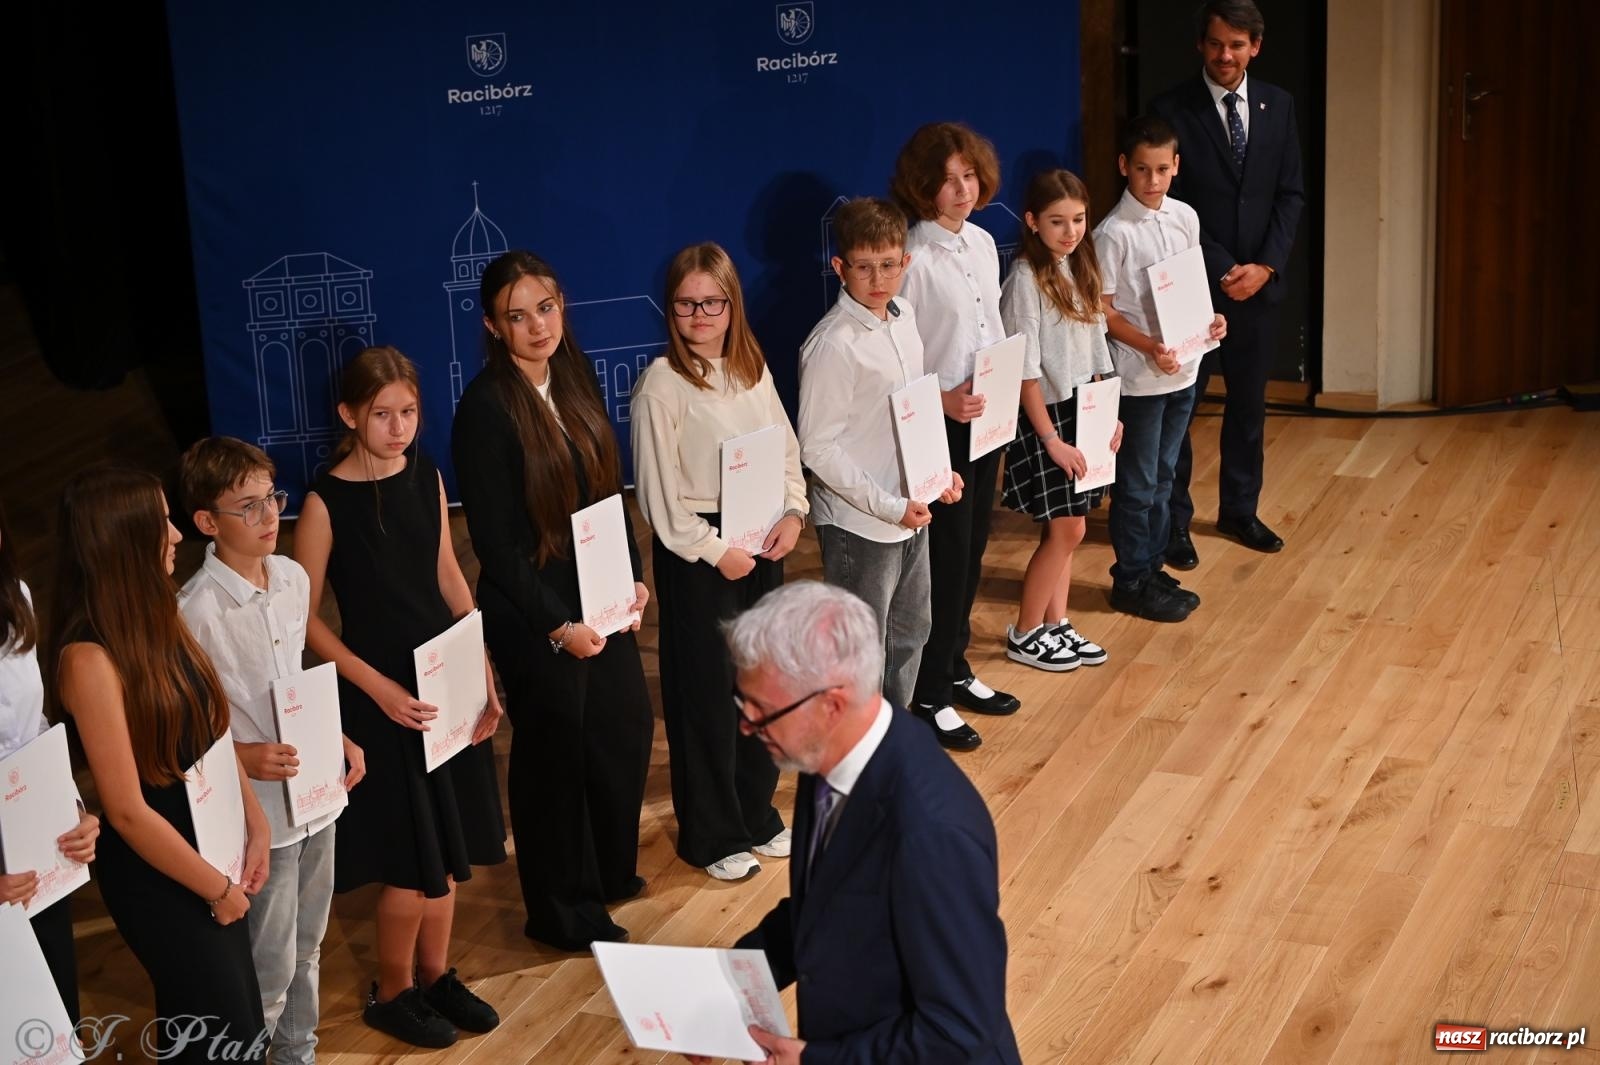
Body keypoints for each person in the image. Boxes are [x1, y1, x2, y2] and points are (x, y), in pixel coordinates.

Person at [713, 581, 1021, 1064]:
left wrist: (815, 1061)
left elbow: (960, 1030)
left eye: (763, 711)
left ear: (831, 705)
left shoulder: (931, 835)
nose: (747, 725)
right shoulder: (825, 751)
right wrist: (728, 994)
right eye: (742, 701)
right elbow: (825, 907)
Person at [295, 347, 506, 1048]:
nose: (398, 428)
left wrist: (480, 663)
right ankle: (391, 992)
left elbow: (448, 575)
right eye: (382, 414)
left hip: (443, 679)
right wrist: (378, 688)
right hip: (380, 690)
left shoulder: (425, 474)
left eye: (408, 412)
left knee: (447, 851)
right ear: (349, 415)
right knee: (412, 861)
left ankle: (436, 976)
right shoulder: (326, 503)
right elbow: (304, 620)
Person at [452, 251, 653, 952]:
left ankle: (605, 877)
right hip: (533, 608)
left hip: (598, 592)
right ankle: (561, 912)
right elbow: (496, 545)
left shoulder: (574, 372)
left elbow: (607, 490)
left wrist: (630, 577)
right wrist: (558, 627)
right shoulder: (484, 409)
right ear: (492, 326)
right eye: (518, 316)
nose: (537, 326)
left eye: (545, 308)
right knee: (556, 759)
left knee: (624, 729)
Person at [48, 467, 269, 1061]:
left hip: (212, 851)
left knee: (239, 1028)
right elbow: (125, 810)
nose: (175, 535)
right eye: (162, 523)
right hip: (162, 873)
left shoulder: (161, 613)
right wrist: (216, 889)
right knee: (220, 1034)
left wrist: (255, 823)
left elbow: (214, 731)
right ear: (122, 538)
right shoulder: (87, 657)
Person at [177, 437, 365, 1065]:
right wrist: (243, 756)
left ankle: (297, 1054)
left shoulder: (291, 577)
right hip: (261, 816)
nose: (268, 517)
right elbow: (188, 726)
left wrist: (333, 733)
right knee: (270, 964)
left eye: (272, 499)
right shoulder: (194, 612)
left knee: (309, 945)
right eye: (248, 507)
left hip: (316, 793)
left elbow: (293, 678)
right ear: (208, 522)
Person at [632, 243, 807, 883]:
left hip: (762, 536)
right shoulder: (661, 385)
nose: (700, 316)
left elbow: (785, 453)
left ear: (733, 305)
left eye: (713, 303)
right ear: (670, 310)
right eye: (687, 305)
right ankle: (710, 832)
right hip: (700, 553)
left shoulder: (752, 368)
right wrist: (714, 551)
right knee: (705, 695)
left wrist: (794, 513)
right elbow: (657, 496)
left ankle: (755, 812)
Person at [797, 198, 963, 727]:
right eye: (864, 267)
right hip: (861, 522)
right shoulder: (832, 345)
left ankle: (893, 739)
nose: (878, 279)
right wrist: (890, 506)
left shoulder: (904, 316)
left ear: (905, 262)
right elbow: (816, 447)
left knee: (911, 629)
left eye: (889, 265)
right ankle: (850, 751)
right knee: (862, 651)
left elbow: (917, 401)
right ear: (840, 267)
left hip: (910, 508)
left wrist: (939, 470)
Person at [1152, 0, 1305, 564]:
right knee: (1181, 408)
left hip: (1259, 285)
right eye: (1216, 43)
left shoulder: (1278, 105)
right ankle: (1174, 524)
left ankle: (1240, 511)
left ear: (1255, 47)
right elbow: (1170, 202)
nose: (1225, 55)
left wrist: (1266, 266)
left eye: (1237, 45)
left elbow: (1290, 193)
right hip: (1193, 284)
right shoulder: (1171, 109)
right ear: (1201, 44)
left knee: (1247, 406)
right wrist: (1221, 266)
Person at [891, 121, 1019, 751]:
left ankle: (955, 664)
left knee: (972, 551)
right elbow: (901, 352)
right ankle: (929, 689)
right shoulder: (911, 257)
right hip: (940, 421)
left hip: (986, 414)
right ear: (923, 187)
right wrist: (941, 399)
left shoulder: (983, 241)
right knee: (942, 556)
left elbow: (990, 325)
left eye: (969, 176)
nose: (963, 190)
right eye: (947, 180)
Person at [1093, 116, 1226, 623]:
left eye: (1162, 169)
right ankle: (1130, 579)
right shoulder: (1112, 234)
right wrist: (1150, 345)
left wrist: (1210, 321)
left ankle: (1149, 567)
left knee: (1166, 475)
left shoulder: (1185, 217)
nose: (1153, 180)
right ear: (1124, 166)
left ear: (1176, 167)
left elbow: (1190, 287)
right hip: (1139, 378)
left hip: (1184, 371)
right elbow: (1104, 311)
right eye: (1142, 169)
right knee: (1138, 483)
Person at [998, 170, 1122, 672]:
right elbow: (1025, 373)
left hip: (1083, 409)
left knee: (1071, 527)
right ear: (1032, 221)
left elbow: (1097, 351)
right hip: (1046, 417)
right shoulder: (1025, 280)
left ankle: (1056, 623)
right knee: (1067, 530)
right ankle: (1025, 631)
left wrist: (1108, 415)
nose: (1070, 231)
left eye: (1078, 219)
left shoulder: (1080, 266)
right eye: (1057, 221)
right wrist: (1050, 439)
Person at [0, 495, 98, 1024]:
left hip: (31, 837)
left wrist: (70, 808)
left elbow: (33, 728)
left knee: (55, 1021)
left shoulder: (15, 597)